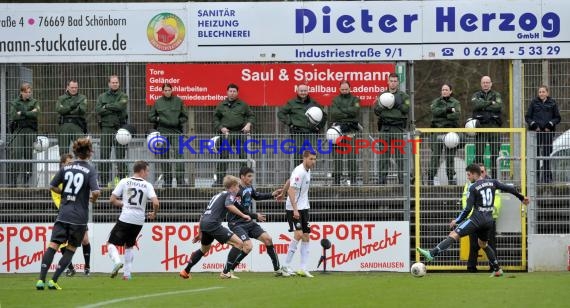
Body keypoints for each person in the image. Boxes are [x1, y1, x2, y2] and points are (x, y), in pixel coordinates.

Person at [417, 163, 529, 277]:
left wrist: (457, 221)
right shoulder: (493, 182)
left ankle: (431, 254)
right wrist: (521, 197)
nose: (468, 177)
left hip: (476, 219)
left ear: (475, 174)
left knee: (454, 234)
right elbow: (509, 188)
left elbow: (468, 209)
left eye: (469, 174)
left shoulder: (473, 187)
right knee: (483, 244)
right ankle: (497, 270)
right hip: (489, 221)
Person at [36, 137, 100, 290]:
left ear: (76, 152)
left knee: (53, 245)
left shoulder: (66, 168)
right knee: (71, 248)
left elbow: (52, 186)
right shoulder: (90, 170)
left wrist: (64, 193)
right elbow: (96, 191)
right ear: (89, 153)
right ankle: (54, 280)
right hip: (79, 217)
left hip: (63, 213)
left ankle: (40, 280)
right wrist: (93, 199)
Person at [179, 175, 251, 279]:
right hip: (213, 224)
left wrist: (200, 232)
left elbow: (203, 215)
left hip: (204, 223)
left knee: (204, 249)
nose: (238, 189)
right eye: (238, 186)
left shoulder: (216, 196)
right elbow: (229, 205)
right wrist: (243, 215)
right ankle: (226, 272)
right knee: (239, 243)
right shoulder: (230, 195)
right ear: (233, 186)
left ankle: (185, 271)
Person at [222, 166, 287, 278]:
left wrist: (272, 194)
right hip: (236, 223)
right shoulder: (236, 191)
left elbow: (256, 196)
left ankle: (277, 269)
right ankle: (229, 270)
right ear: (242, 177)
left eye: (252, 176)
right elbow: (241, 209)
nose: (251, 178)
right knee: (247, 246)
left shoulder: (249, 187)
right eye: (249, 176)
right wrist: (255, 215)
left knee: (268, 239)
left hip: (248, 221)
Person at [106, 160, 160, 280]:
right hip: (139, 220)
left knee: (110, 243)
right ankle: (127, 274)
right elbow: (156, 202)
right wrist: (154, 213)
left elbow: (112, 200)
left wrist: (124, 204)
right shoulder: (147, 185)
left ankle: (116, 262)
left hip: (126, 217)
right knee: (129, 246)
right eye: (147, 171)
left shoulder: (125, 181)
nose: (147, 174)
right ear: (141, 171)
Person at [50, 153, 92, 277]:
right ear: (62, 164)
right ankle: (70, 268)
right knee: (62, 243)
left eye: (71, 163)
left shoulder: (75, 175)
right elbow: (58, 199)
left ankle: (87, 267)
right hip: (65, 214)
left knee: (85, 240)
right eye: (68, 163)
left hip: (78, 214)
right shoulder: (57, 178)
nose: (71, 165)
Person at [279, 150, 317, 278]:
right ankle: (285, 265)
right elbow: (291, 189)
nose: (313, 161)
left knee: (306, 236)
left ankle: (303, 268)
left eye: (314, 159)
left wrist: (282, 193)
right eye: (311, 159)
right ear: (304, 158)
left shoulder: (307, 170)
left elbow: (289, 181)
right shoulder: (300, 171)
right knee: (299, 234)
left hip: (304, 207)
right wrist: (295, 209)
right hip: (293, 208)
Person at [213, 84, 255, 187]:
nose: (232, 93)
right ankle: (219, 181)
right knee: (224, 156)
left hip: (239, 133)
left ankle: (245, 181)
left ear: (237, 93)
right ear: (227, 92)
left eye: (234, 91)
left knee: (243, 157)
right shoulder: (221, 105)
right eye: (230, 91)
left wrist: (248, 124)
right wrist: (221, 128)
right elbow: (215, 119)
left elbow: (251, 116)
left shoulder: (243, 105)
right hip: (226, 133)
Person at [462, 164, 501, 272]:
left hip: (488, 218)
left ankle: (493, 267)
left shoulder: (492, 184)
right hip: (474, 219)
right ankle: (471, 268)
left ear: (485, 173)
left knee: (490, 244)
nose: (482, 173)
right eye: (480, 171)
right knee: (473, 245)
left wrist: (488, 211)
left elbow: (497, 201)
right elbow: (465, 201)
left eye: (483, 171)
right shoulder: (470, 185)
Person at [148, 83, 189, 187]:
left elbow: (185, 116)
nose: (167, 92)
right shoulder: (158, 102)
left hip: (176, 131)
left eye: (169, 90)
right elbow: (151, 116)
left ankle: (180, 181)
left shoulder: (178, 101)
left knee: (179, 155)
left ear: (172, 90)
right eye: (165, 90)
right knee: (164, 156)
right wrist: (158, 119)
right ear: (162, 91)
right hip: (162, 131)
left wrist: (177, 121)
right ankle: (167, 181)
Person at [374, 73, 410, 185]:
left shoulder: (403, 96)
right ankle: (382, 179)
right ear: (388, 82)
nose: (393, 83)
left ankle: (402, 179)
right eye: (391, 80)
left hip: (398, 128)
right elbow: (377, 110)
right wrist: (384, 106)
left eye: (395, 81)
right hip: (385, 128)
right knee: (384, 155)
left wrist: (395, 104)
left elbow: (406, 109)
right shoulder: (382, 95)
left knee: (399, 156)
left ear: (398, 83)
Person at [278, 84, 327, 164]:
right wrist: (289, 123)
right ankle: (298, 175)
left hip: (311, 132)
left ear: (308, 91)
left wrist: (319, 126)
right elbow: (281, 113)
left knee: (311, 155)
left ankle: (308, 175)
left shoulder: (313, 103)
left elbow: (324, 115)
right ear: (297, 91)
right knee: (298, 155)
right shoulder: (292, 103)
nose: (303, 93)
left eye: (305, 91)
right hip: (298, 132)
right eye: (301, 91)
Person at [96, 75, 128, 187]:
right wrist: (109, 108)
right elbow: (98, 110)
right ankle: (104, 181)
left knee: (120, 156)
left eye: (116, 82)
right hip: (106, 128)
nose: (115, 84)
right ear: (109, 83)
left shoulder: (123, 95)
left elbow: (120, 107)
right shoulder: (102, 96)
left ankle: (123, 181)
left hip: (120, 129)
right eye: (113, 82)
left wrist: (106, 107)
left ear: (119, 83)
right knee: (104, 155)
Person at [525, 85, 561, 184]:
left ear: (547, 93)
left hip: (547, 133)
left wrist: (550, 124)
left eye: (543, 92)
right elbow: (528, 117)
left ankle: (547, 178)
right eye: (540, 92)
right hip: (535, 133)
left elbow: (557, 118)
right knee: (535, 155)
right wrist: (534, 125)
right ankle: (535, 177)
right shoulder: (534, 102)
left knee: (546, 155)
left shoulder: (552, 103)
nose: (541, 93)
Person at [428, 84, 461, 185]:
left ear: (451, 91)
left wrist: (442, 115)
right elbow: (434, 112)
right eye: (443, 90)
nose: (444, 91)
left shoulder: (455, 102)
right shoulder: (436, 101)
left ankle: (451, 178)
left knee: (450, 156)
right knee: (435, 156)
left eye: (446, 90)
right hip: (438, 130)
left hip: (451, 131)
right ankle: (431, 178)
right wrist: (447, 110)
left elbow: (456, 115)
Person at [329, 80, 361, 185]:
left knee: (352, 156)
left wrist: (341, 111)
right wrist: (348, 112)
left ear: (350, 88)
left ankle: (353, 180)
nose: (344, 91)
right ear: (339, 89)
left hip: (351, 130)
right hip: (338, 130)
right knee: (337, 156)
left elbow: (355, 111)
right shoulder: (335, 100)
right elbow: (334, 113)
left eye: (346, 89)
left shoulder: (355, 99)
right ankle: (336, 180)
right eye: (342, 89)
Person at [471, 76, 503, 179]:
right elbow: (475, 105)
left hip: (494, 128)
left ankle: (494, 178)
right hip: (480, 129)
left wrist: (483, 106)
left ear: (491, 84)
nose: (485, 84)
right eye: (484, 82)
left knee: (495, 154)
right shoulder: (476, 95)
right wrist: (490, 103)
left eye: (487, 82)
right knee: (479, 155)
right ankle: (479, 178)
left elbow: (498, 106)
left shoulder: (496, 94)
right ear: (481, 84)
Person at [8, 82, 40, 187]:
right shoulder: (15, 102)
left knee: (28, 155)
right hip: (19, 130)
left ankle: (26, 180)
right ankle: (13, 180)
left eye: (30, 92)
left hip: (30, 130)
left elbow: (36, 113)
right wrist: (29, 112)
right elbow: (13, 115)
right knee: (16, 153)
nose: (28, 94)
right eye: (26, 92)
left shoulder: (34, 101)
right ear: (21, 92)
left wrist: (22, 112)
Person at [56, 80, 87, 156]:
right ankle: (64, 167)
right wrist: (72, 107)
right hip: (64, 126)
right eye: (72, 87)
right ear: (67, 87)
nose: (74, 89)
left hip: (77, 126)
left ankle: (79, 167)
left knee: (81, 150)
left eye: (76, 87)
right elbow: (59, 110)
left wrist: (66, 109)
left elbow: (82, 110)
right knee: (63, 152)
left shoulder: (82, 97)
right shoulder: (61, 98)